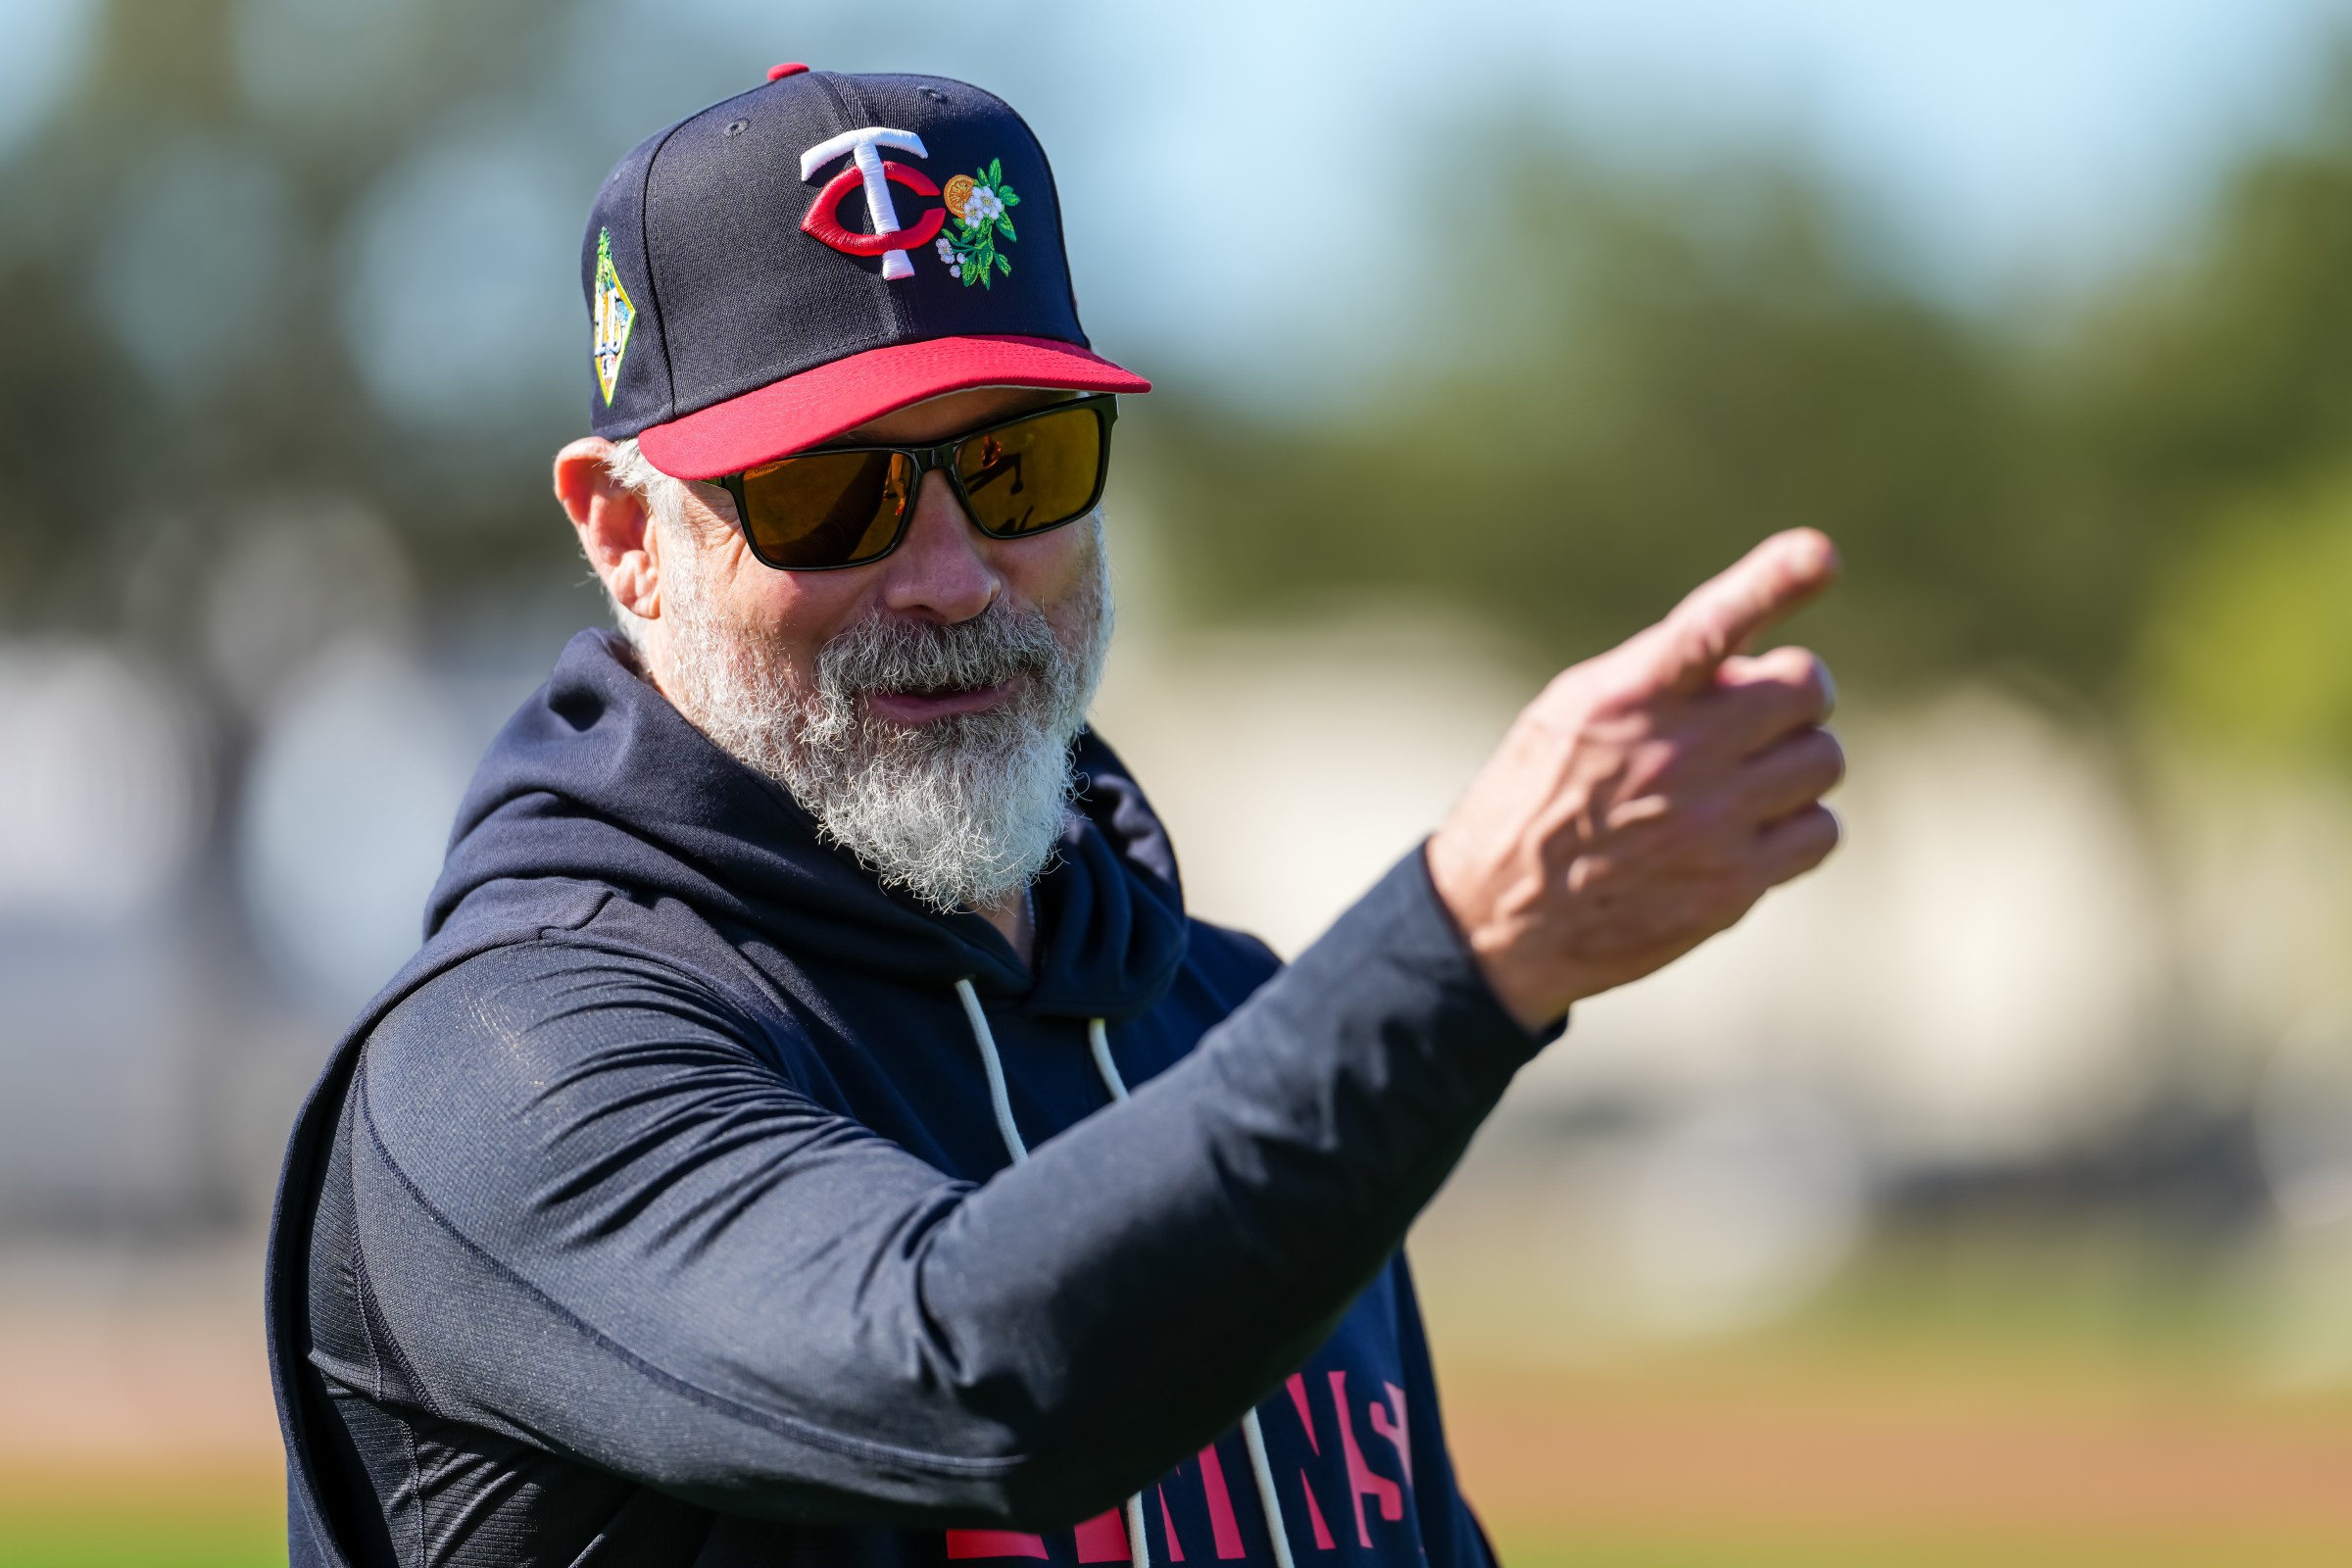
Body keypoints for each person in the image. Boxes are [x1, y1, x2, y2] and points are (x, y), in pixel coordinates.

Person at [264, 65, 1843, 1568]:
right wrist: (1460, 954)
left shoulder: (1232, 1014)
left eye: (1017, 464)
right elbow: (966, 1373)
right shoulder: (510, 1062)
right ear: (627, 536)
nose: (951, 576)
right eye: (827, 491)